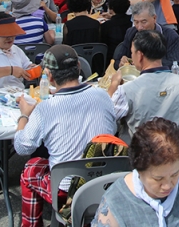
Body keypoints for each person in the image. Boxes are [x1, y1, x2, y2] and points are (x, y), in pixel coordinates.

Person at [15, 45, 117, 227]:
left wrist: (24, 115)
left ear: (49, 75)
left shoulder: (45, 109)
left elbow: (22, 147)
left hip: (65, 190)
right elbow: (113, 129)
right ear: (78, 66)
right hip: (104, 181)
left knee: (30, 168)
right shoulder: (102, 96)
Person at [0, 14, 38, 193]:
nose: (10, 39)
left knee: (38, 123)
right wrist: (11, 70)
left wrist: (34, 69)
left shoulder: (16, 50)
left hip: (17, 97)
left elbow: (27, 65)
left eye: (12, 35)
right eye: (5, 36)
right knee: (0, 137)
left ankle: (36, 169)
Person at [108, 31, 179, 137]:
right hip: (176, 149)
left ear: (140, 55)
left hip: (140, 151)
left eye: (132, 52)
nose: (131, 55)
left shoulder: (126, 90)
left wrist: (113, 86)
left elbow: (107, 117)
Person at [118, 2, 179, 69]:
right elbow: (116, 60)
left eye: (144, 22)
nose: (139, 27)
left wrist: (146, 64)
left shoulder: (170, 36)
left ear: (154, 18)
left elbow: (175, 63)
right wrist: (122, 61)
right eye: (136, 22)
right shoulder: (131, 33)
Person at [100, 0, 133, 64]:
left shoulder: (106, 26)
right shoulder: (132, 22)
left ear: (111, 8)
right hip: (130, 58)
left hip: (110, 61)